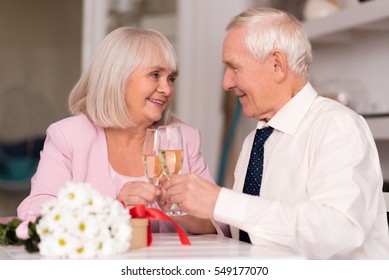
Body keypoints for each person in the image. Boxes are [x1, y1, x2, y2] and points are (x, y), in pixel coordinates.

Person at [161, 7, 389, 259]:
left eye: (234, 67)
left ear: (277, 65)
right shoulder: (257, 139)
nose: (226, 83)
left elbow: (338, 232)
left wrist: (220, 201)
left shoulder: (338, 127)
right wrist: (202, 218)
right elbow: (256, 230)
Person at [17, 26, 217, 235]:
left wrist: (185, 215)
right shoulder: (68, 137)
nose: (166, 89)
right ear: (118, 77)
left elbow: (219, 223)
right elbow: (34, 214)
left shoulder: (184, 138)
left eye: (171, 78)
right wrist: (113, 208)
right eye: (155, 75)